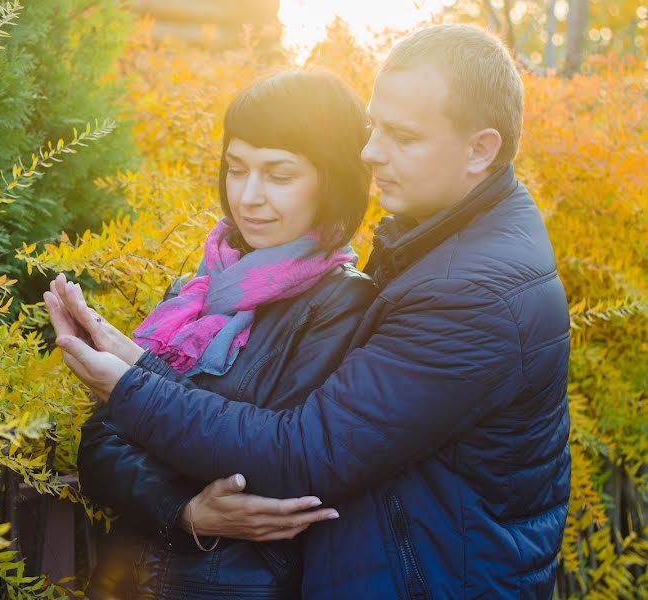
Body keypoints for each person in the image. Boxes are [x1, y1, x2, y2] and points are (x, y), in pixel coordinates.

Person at [46, 24, 572, 599]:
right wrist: (181, 499)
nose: (371, 153)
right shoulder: (434, 250)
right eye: (374, 129)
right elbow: (109, 444)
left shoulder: (470, 292)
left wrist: (130, 382)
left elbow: (299, 455)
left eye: (402, 136)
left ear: (480, 149)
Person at [45, 70, 376, 598]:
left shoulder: (341, 303)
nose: (248, 196)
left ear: (332, 179)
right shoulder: (194, 290)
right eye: (236, 168)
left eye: (280, 174)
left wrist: (133, 379)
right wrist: (186, 510)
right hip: (128, 579)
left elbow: (272, 461)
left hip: (239, 585)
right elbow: (99, 448)